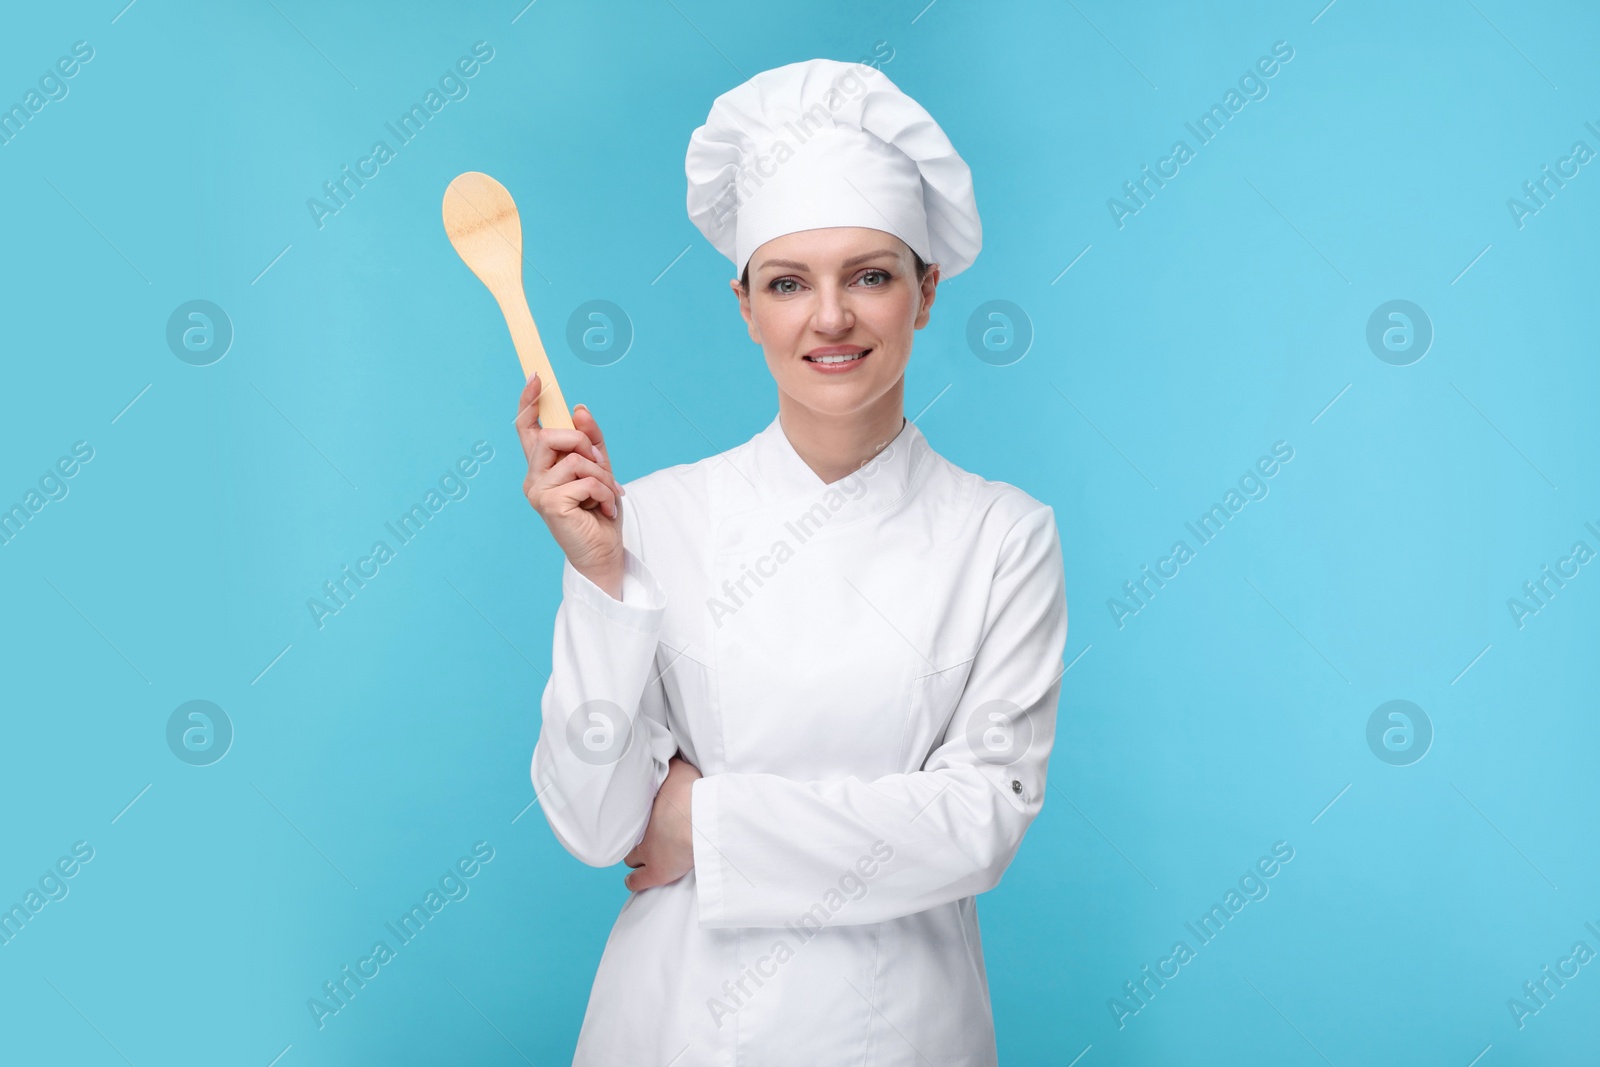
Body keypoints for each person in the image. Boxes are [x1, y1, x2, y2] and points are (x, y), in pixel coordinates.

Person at [520, 56, 1067, 1067]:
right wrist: (600, 576)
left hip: (903, 1030)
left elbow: (978, 819)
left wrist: (705, 821)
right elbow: (596, 825)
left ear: (925, 291)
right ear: (744, 305)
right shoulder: (659, 517)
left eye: (869, 275)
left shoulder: (1002, 535)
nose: (829, 318)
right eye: (787, 283)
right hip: (676, 1023)